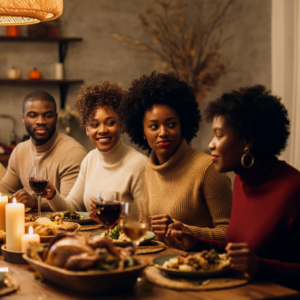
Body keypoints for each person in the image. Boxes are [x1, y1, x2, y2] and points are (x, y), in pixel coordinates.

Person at [166, 85, 300, 290]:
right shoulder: (241, 180)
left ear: (248, 140)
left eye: (219, 135)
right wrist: (197, 243)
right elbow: (237, 252)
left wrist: (260, 266)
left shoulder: (293, 189)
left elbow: (255, 260)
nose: (211, 144)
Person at [119, 72, 232, 241]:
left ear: (182, 125)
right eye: (154, 126)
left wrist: (185, 231)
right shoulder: (149, 169)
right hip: (161, 260)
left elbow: (230, 233)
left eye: (171, 124)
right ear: (142, 132)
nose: (163, 133)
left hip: (198, 264)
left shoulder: (209, 168)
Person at [42, 81, 148, 215]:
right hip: (93, 235)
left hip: (124, 236)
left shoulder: (139, 165)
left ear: (121, 125)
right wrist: (52, 195)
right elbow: (73, 207)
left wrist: (112, 216)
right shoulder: (90, 159)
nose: (102, 130)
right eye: (94, 125)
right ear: (87, 129)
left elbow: (145, 220)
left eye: (110, 123)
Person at [0, 91, 87, 210]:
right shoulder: (19, 150)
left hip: (64, 226)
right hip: (31, 224)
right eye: (33, 115)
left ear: (56, 118)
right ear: (23, 118)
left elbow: (71, 206)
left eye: (48, 115)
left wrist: (35, 201)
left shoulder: (72, 152)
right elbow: (5, 190)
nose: (41, 121)